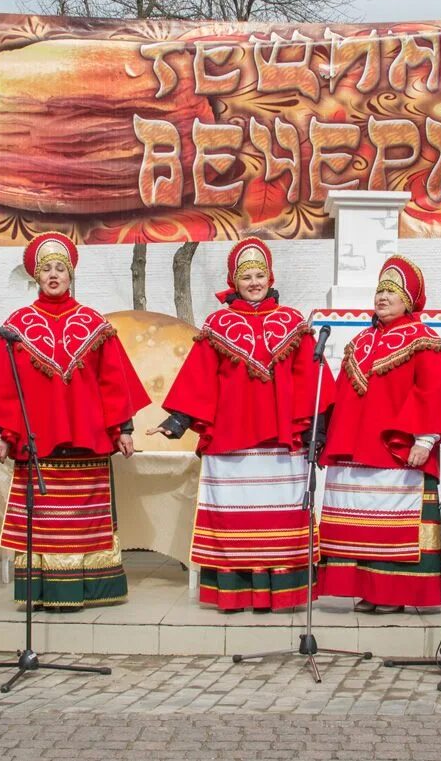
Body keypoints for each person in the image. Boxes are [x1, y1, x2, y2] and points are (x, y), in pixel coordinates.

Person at [150, 238, 333, 612]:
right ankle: (236, 594)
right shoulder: (218, 323)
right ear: (235, 281)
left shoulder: (293, 322)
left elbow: (311, 379)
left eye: (259, 275)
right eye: (246, 276)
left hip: (282, 444)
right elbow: (201, 378)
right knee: (233, 522)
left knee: (278, 522)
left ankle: (279, 595)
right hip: (230, 442)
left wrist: (317, 428)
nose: (253, 282)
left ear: (270, 277)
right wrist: (178, 420)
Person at [0, 232, 150, 611]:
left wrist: (123, 428)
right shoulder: (16, 326)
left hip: (87, 440)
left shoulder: (93, 323)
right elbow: (4, 385)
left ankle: (89, 589)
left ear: (70, 275)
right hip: (36, 444)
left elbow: (112, 382)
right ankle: (46, 591)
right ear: (36, 278)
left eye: (60, 269)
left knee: (85, 518)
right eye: (46, 270)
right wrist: (1, 433)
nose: (53, 275)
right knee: (44, 521)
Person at [317, 255, 441, 614]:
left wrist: (425, 440)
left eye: (391, 291)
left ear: (408, 300)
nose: (382, 297)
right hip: (357, 452)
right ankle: (369, 589)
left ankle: (395, 593)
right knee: (363, 527)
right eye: (380, 290)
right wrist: (327, 437)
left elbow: (434, 391)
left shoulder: (423, 338)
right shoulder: (360, 341)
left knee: (396, 527)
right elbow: (342, 397)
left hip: (397, 452)